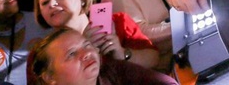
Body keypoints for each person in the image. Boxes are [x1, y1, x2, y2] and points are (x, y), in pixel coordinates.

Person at [34, 0, 159, 71]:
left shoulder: (118, 23)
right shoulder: (42, 52)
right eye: (44, 2)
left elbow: (154, 59)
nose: (52, 4)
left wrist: (123, 53)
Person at [26, 29, 175, 85]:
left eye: (87, 45)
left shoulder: (110, 69)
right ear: (49, 78)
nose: (86, 54)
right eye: (71, 54)